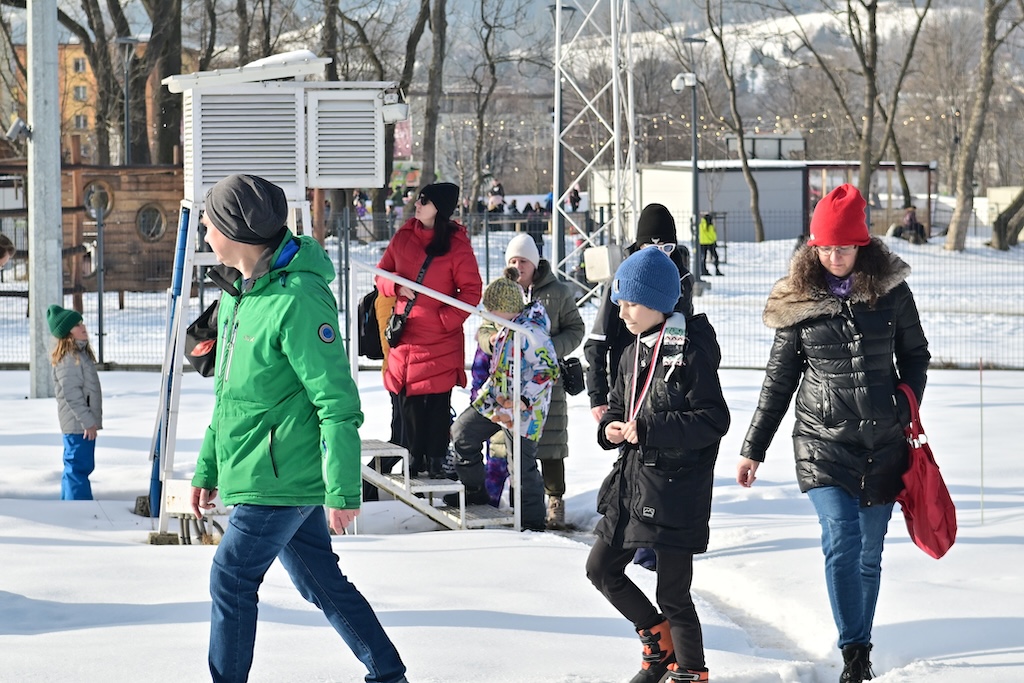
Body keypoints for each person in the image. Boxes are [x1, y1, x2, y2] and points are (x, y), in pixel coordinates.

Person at [189, 174, 408, 683]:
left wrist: (342, 487)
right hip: (263, 470)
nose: (203, 230)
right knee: (318, 581)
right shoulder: (239, 297)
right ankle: (388, 672)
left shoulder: (298, 300)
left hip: (282, 476)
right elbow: (230, 400)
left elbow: (337, 401)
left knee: (231, 576)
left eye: (210, 221)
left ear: (237, 230)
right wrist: (207, 466)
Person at [736, 183, 930, 683]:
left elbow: (916, 356)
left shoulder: (891, 293)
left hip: (884, 443)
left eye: (843, 246)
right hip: (822, 443)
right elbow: (778, 382)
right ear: (813, 246)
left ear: (861, 244)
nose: (834, 255)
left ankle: (861, 645)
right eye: (825, 246)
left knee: (869, 552)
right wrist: (752, 449)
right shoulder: (798, 303)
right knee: (841, 537)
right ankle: (853, 652)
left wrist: (905, 404)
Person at [587, 247, 730, 683]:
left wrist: (649, 429)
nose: (623, 312)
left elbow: (713, 419)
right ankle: (658, 644)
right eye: (620, 302)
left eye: (631, 303)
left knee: (673, 593)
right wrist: (610, 427)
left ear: (659, 302)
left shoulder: (688, 350)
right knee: (601, 568)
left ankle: (690, 671)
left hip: (675, 491)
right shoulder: (631, 352)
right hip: (632, 485)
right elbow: (617, 406)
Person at [477, 233, 585, 528]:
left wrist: (550, 349)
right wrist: (494, 342)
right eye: (513, 260)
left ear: (534, 263)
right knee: (509, 444)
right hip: (507, 384)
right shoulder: (501, 292)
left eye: (523, 260)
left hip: (543, 382)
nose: (517, 265)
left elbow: (576, 329)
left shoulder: (558, 293)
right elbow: (485, 328)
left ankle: (555, 500)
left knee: (550, 444)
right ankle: (512, 501)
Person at [376, 182, 483, 477]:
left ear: (440, 208)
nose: (417, 203)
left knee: (437, 404)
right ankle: (413, 459)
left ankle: (435, 461)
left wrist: (443, 321)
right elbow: (380, 275)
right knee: (406, 404)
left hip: (440, 340)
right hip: (405, 335)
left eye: (424, 200)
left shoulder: (457, 245)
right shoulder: (403, 236)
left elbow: (471, 291)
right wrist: (396, 285)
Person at [443, 267, 558, 531]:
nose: (488, 316)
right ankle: (474, 491)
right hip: (497, 399)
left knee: (521, 464)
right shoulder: (506, 326)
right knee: (462, 432)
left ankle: (531, 522)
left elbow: (548, 370)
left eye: (492, 310)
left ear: (507, 308)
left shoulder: (531, 332)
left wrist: (524, 400)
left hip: (524, 409)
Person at [585, 203, 693, 425]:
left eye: (666, 247)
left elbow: (686, 331)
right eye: (648, 246)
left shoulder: (682, 279)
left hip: (670, 396)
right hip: (628, 388)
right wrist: (598, 396)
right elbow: (597, 341)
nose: (658, 255)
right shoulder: (624, 280)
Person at [48, 305, 102, 501]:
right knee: (78, 467)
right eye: (77, 325)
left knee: (77, 465)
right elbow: (72, 395)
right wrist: (87, 421)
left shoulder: (79, 355)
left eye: (82, 322)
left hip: (79, 423)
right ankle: (79, 508)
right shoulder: (70, 359)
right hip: (78, 424)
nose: (83, 327)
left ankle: (69, 506)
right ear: (67, 333)